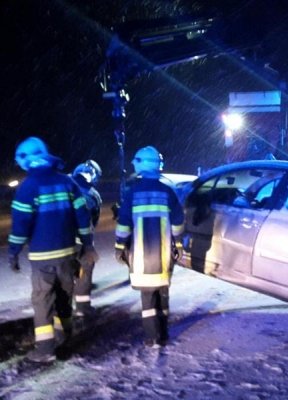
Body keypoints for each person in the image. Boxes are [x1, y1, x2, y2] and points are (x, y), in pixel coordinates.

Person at [7, 137, 98, 363]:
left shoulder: (28, 187)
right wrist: (87, 245)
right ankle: (64, 337)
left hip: (42, 257)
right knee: (64, 297)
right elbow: (83, 217)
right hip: (68, 253)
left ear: (27, 159)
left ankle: (46, 348)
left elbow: (20, 226)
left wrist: (13, 252)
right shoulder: (67, 182)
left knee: (43, 300)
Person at [114, 146, 184, 348]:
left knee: (147, 297)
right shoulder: (168, 191)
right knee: (163, 292)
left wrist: (119, 246)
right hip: (164, 254)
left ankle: (151, 337)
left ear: (142, 164)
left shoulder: (132, 193)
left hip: (141, 255)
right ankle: (163, 334)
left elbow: (124, 224)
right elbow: (178, 222)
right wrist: (178, 244)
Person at [71, 159, 103, 317]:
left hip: (58, 241)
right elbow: (92, 220)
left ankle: (60, 309)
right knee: (86, 267)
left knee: (63, 272)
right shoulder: (92, 194)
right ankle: (82, 307)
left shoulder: (64, 186)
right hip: (80, 240)